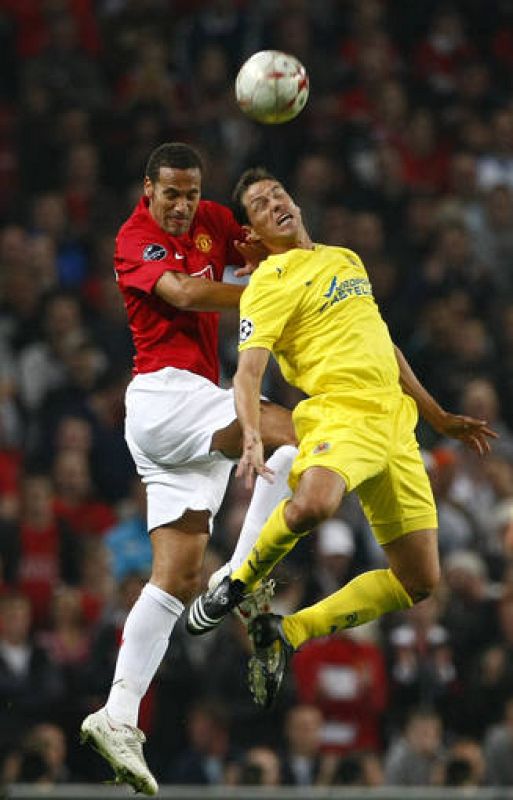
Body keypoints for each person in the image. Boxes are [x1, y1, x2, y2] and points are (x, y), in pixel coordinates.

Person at [187, 166, 496, 709]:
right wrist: (254, 433)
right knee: (314, 506)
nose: (274, 200)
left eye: (277, 191)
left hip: (395, 425)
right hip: (340, 415)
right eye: (259, 204)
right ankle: (237, 583)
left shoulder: (345, 258)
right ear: (253, 235)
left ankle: (287, 634)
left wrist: (437, 414)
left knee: (420, 581)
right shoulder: (269, 283)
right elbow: (248, 370)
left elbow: (385, 344)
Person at [80, 145, 298, 795]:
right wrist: (261, 290)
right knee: (296, 432)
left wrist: (283, 232)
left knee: (174, 579)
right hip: (167, 396)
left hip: (184, 418)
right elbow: (185, 291)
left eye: (189, 193)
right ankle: (247, 574)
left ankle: (117, 714)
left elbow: (266, 249)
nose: (180, 206)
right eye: (169, 193)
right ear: (148, 189)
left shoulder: (210, 218)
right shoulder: (133, 238)